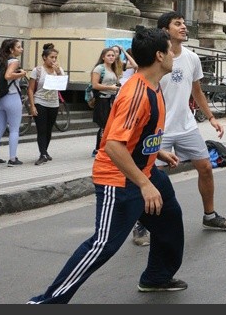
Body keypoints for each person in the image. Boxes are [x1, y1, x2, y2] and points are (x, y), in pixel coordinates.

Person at [27, 27, 188, 303]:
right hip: (120, 180)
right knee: (102, 245)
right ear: (160, 56)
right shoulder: (137, 93)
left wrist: (156, 151)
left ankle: (156, 277)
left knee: (170, 221)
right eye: (170, 49)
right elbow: (113, 146)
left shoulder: (153, 84)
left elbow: (131, 133)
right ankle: (47, 302)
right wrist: (145, 183)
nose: (174, 53)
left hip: (144, 171)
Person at [131, 12, 226, 247]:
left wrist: (211, 117)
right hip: (160, 129)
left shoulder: (192, 58)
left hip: (186, 125)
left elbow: (196, 91)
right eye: (177, 24)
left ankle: (209, 216)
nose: (184, 27)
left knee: (206, 167)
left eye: (184, 23)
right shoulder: (154, 58)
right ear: (164, 30)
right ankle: (142, 223)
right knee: (151, 176)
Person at [27, 43, 66, 165]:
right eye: (51, 57)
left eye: (55, 57)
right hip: (40, 101)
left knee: (49, 129)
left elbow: (62, 86)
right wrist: (32, 106)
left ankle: (45, 151)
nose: (54, 60)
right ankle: (42, 154)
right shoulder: (37, 70)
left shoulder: (59, 70)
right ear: (45, 57)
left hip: (53, 103)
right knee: (41, 129)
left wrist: (58, 72)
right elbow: (30, 89)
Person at [0, 38, 28, 166]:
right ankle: (13, 159)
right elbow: (8, 76)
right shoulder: (14, 61)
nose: (21, 49)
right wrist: (22, 74)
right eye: (18, 47)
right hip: (11, 97)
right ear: (11, 50)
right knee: (14, 129)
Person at [90, 47, 121, 158]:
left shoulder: (113, 69)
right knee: (104, 125)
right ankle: (98, 149)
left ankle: (105, 148)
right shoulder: (99, 68)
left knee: (110, 125)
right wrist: (111, 88)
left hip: (111, 100)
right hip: (102, 99)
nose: (111, 57)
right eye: (109, 55)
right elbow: (95, 85)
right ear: (103, 57)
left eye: (113, 55)